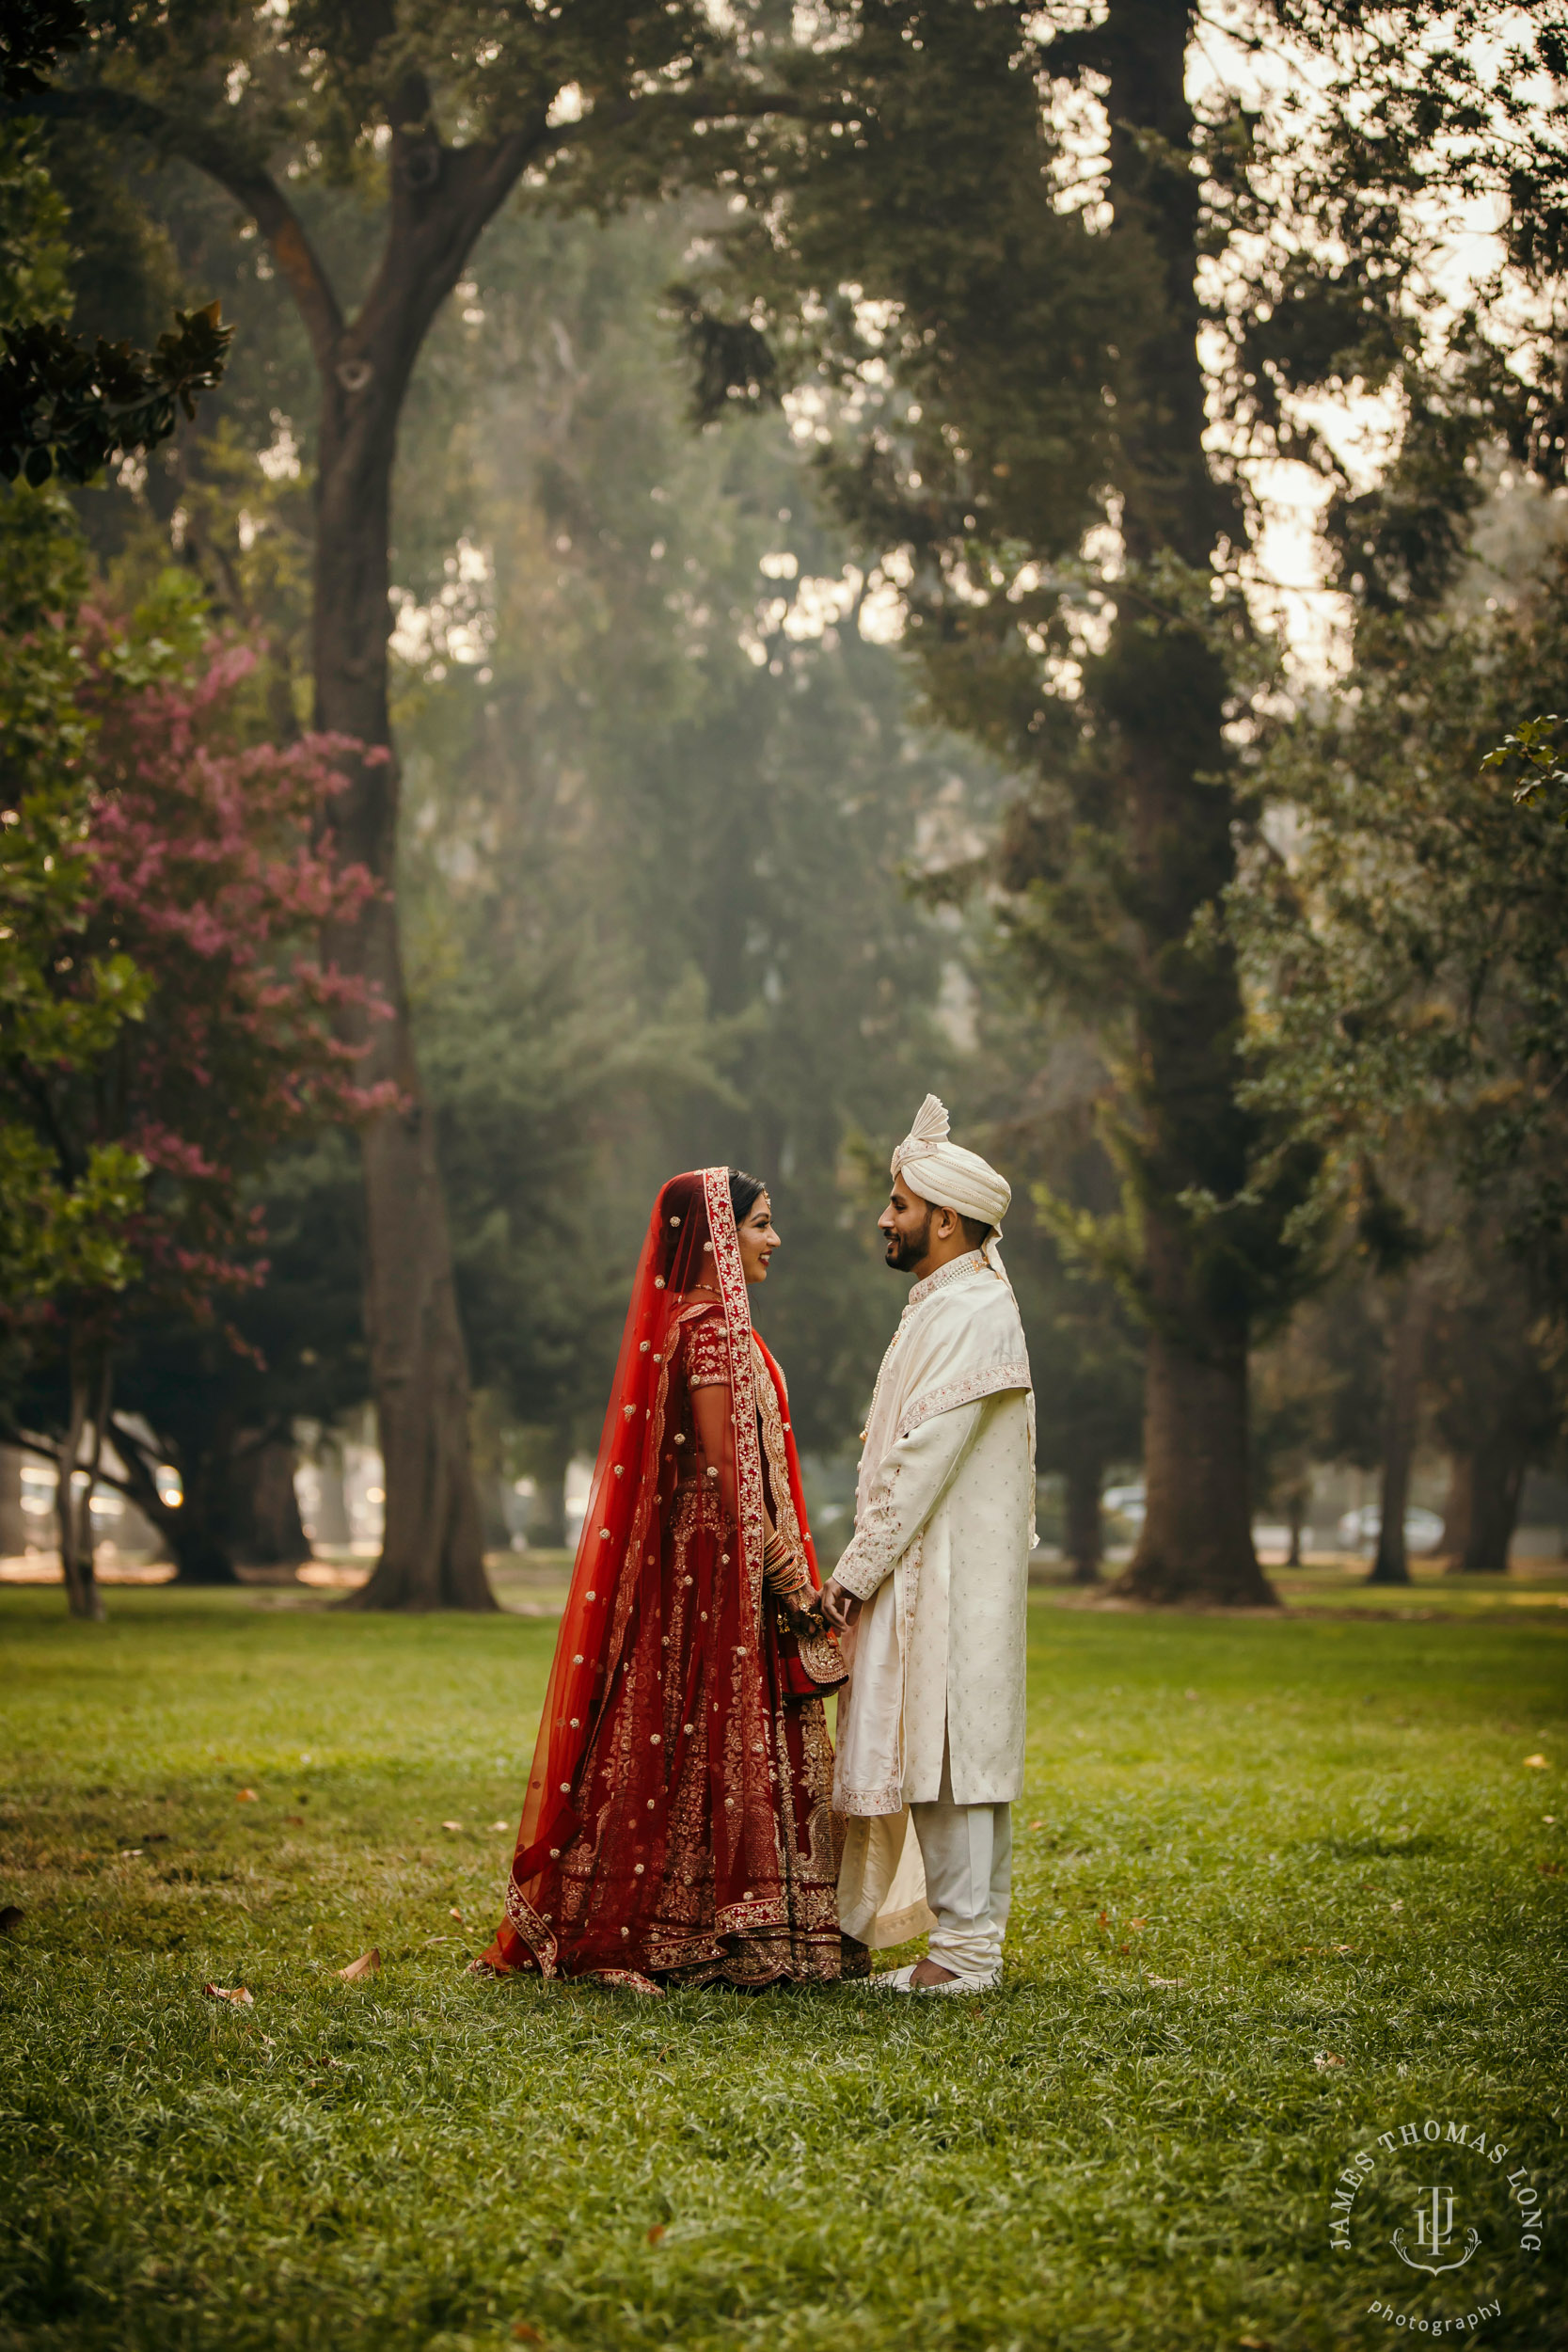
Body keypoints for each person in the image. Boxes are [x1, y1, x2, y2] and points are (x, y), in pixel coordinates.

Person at [478, 1166, 859, 1993]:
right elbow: (729, 1470)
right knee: (715, 1725)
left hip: (707, 1557)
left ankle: (709, 1920)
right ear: (719, 1234)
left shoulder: (690, 1325)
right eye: (761, 1223)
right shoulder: (715, 1329)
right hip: (719, 1561)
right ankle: (718, 1929)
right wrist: (789, 1580)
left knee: (686, 1729)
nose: (773, 1239)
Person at [821, 1095, 1035, 1994]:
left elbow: (920, 1461)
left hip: (948, 1574)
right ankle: (965, 1948)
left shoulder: (972, 1311)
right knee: (950, 1749)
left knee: (954, 1753)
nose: (884, 1217)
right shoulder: (948, 1302)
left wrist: (850, 1577)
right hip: (939, 1571)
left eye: (899, 1204)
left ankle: (964, 1957)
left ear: (944, 1221)